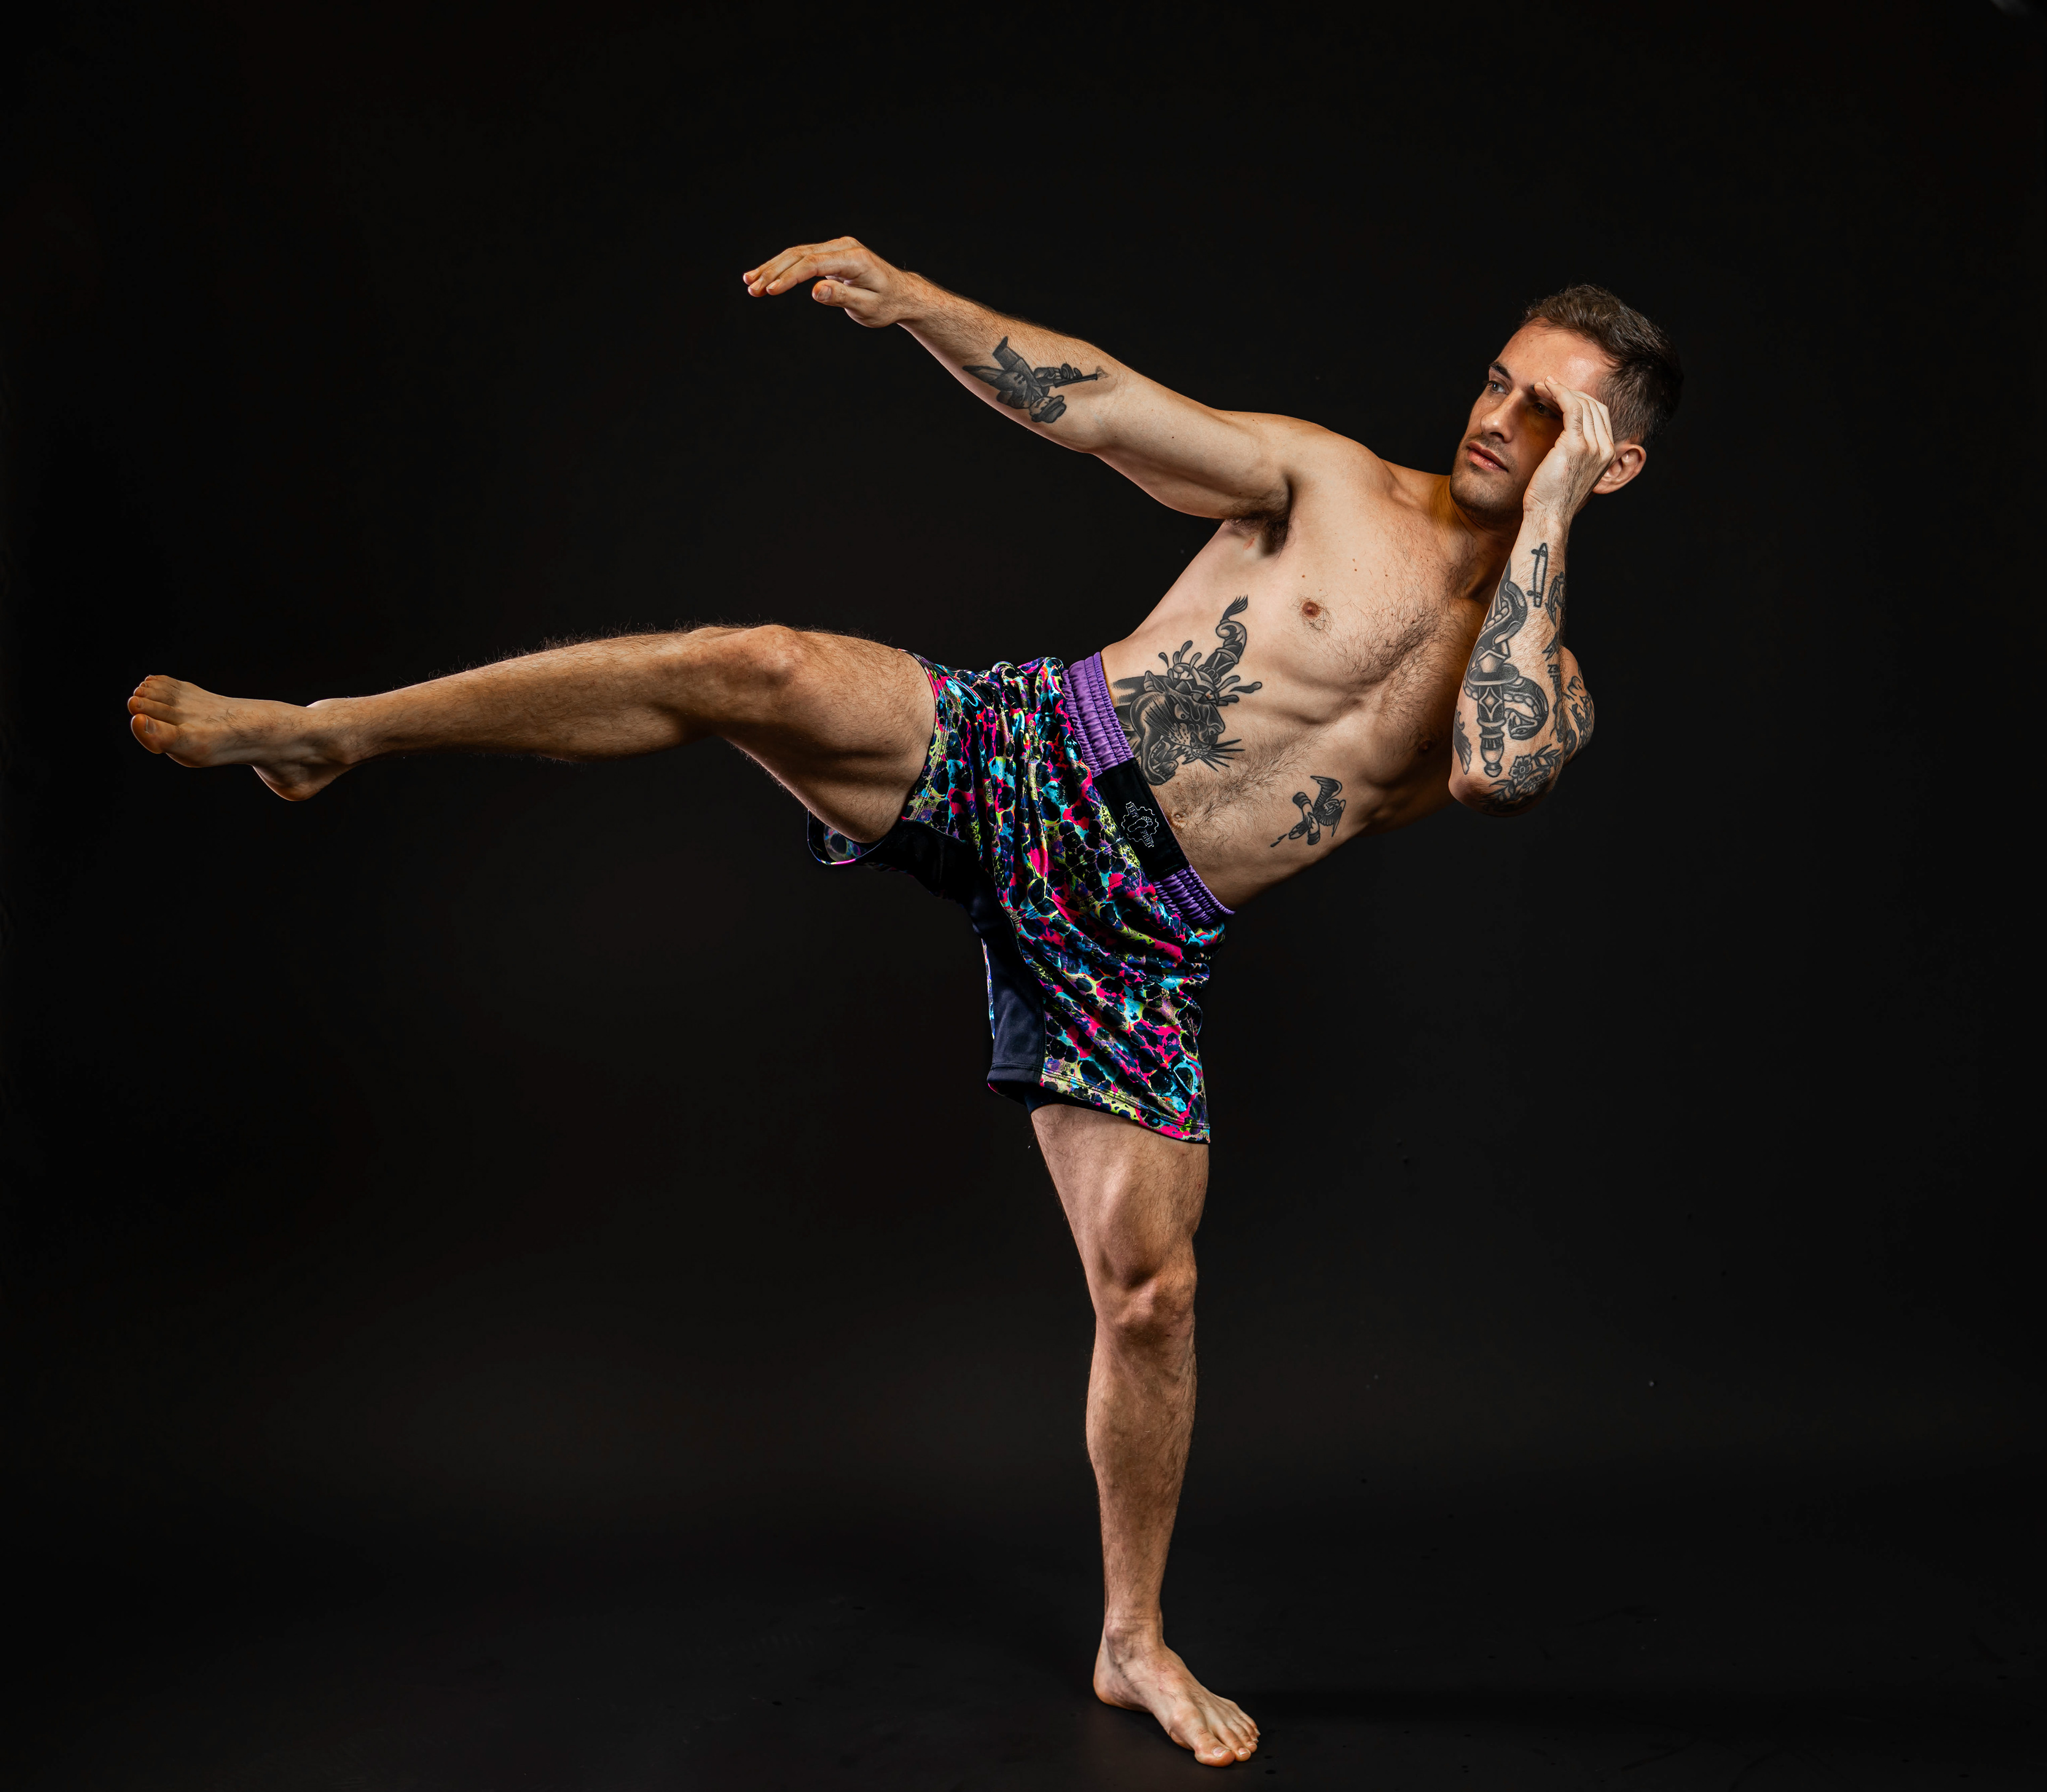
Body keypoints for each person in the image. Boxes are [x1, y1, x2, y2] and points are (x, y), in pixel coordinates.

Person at [125, 237, 1681, 1769]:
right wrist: (921, 303)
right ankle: (332, 730)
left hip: (1140, 939)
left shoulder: (1544, 680)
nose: (1498, 418)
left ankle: (1131, 1638)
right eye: (1497, 380)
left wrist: (1546, 515)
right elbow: (1107, 405)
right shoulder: (1330, 481)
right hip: (1036, 756)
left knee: (1152, 1295)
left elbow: (1497, 770)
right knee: (756, 665)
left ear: (1611, 463)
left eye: (1548, 412)